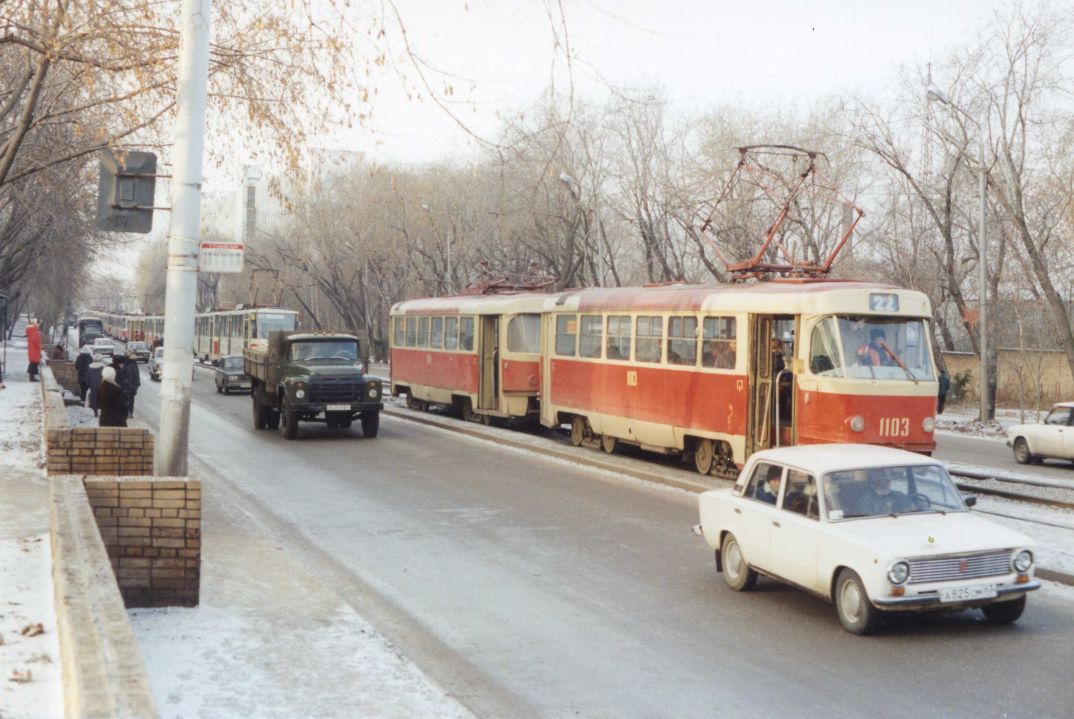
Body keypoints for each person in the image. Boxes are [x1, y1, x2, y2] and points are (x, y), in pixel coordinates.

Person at [121, 351, 141, 418]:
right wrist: (127, 383)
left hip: (133, 386)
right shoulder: (126, 363)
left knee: (132, 400)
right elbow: (123, 375)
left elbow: (137, 374)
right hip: (127, 386)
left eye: (135, 355)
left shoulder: (135, 363)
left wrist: (137, 383)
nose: (134, 356)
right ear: (129, 356)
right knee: (126, 400)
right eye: (133, 355)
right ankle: (126, 413)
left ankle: (131, 412)